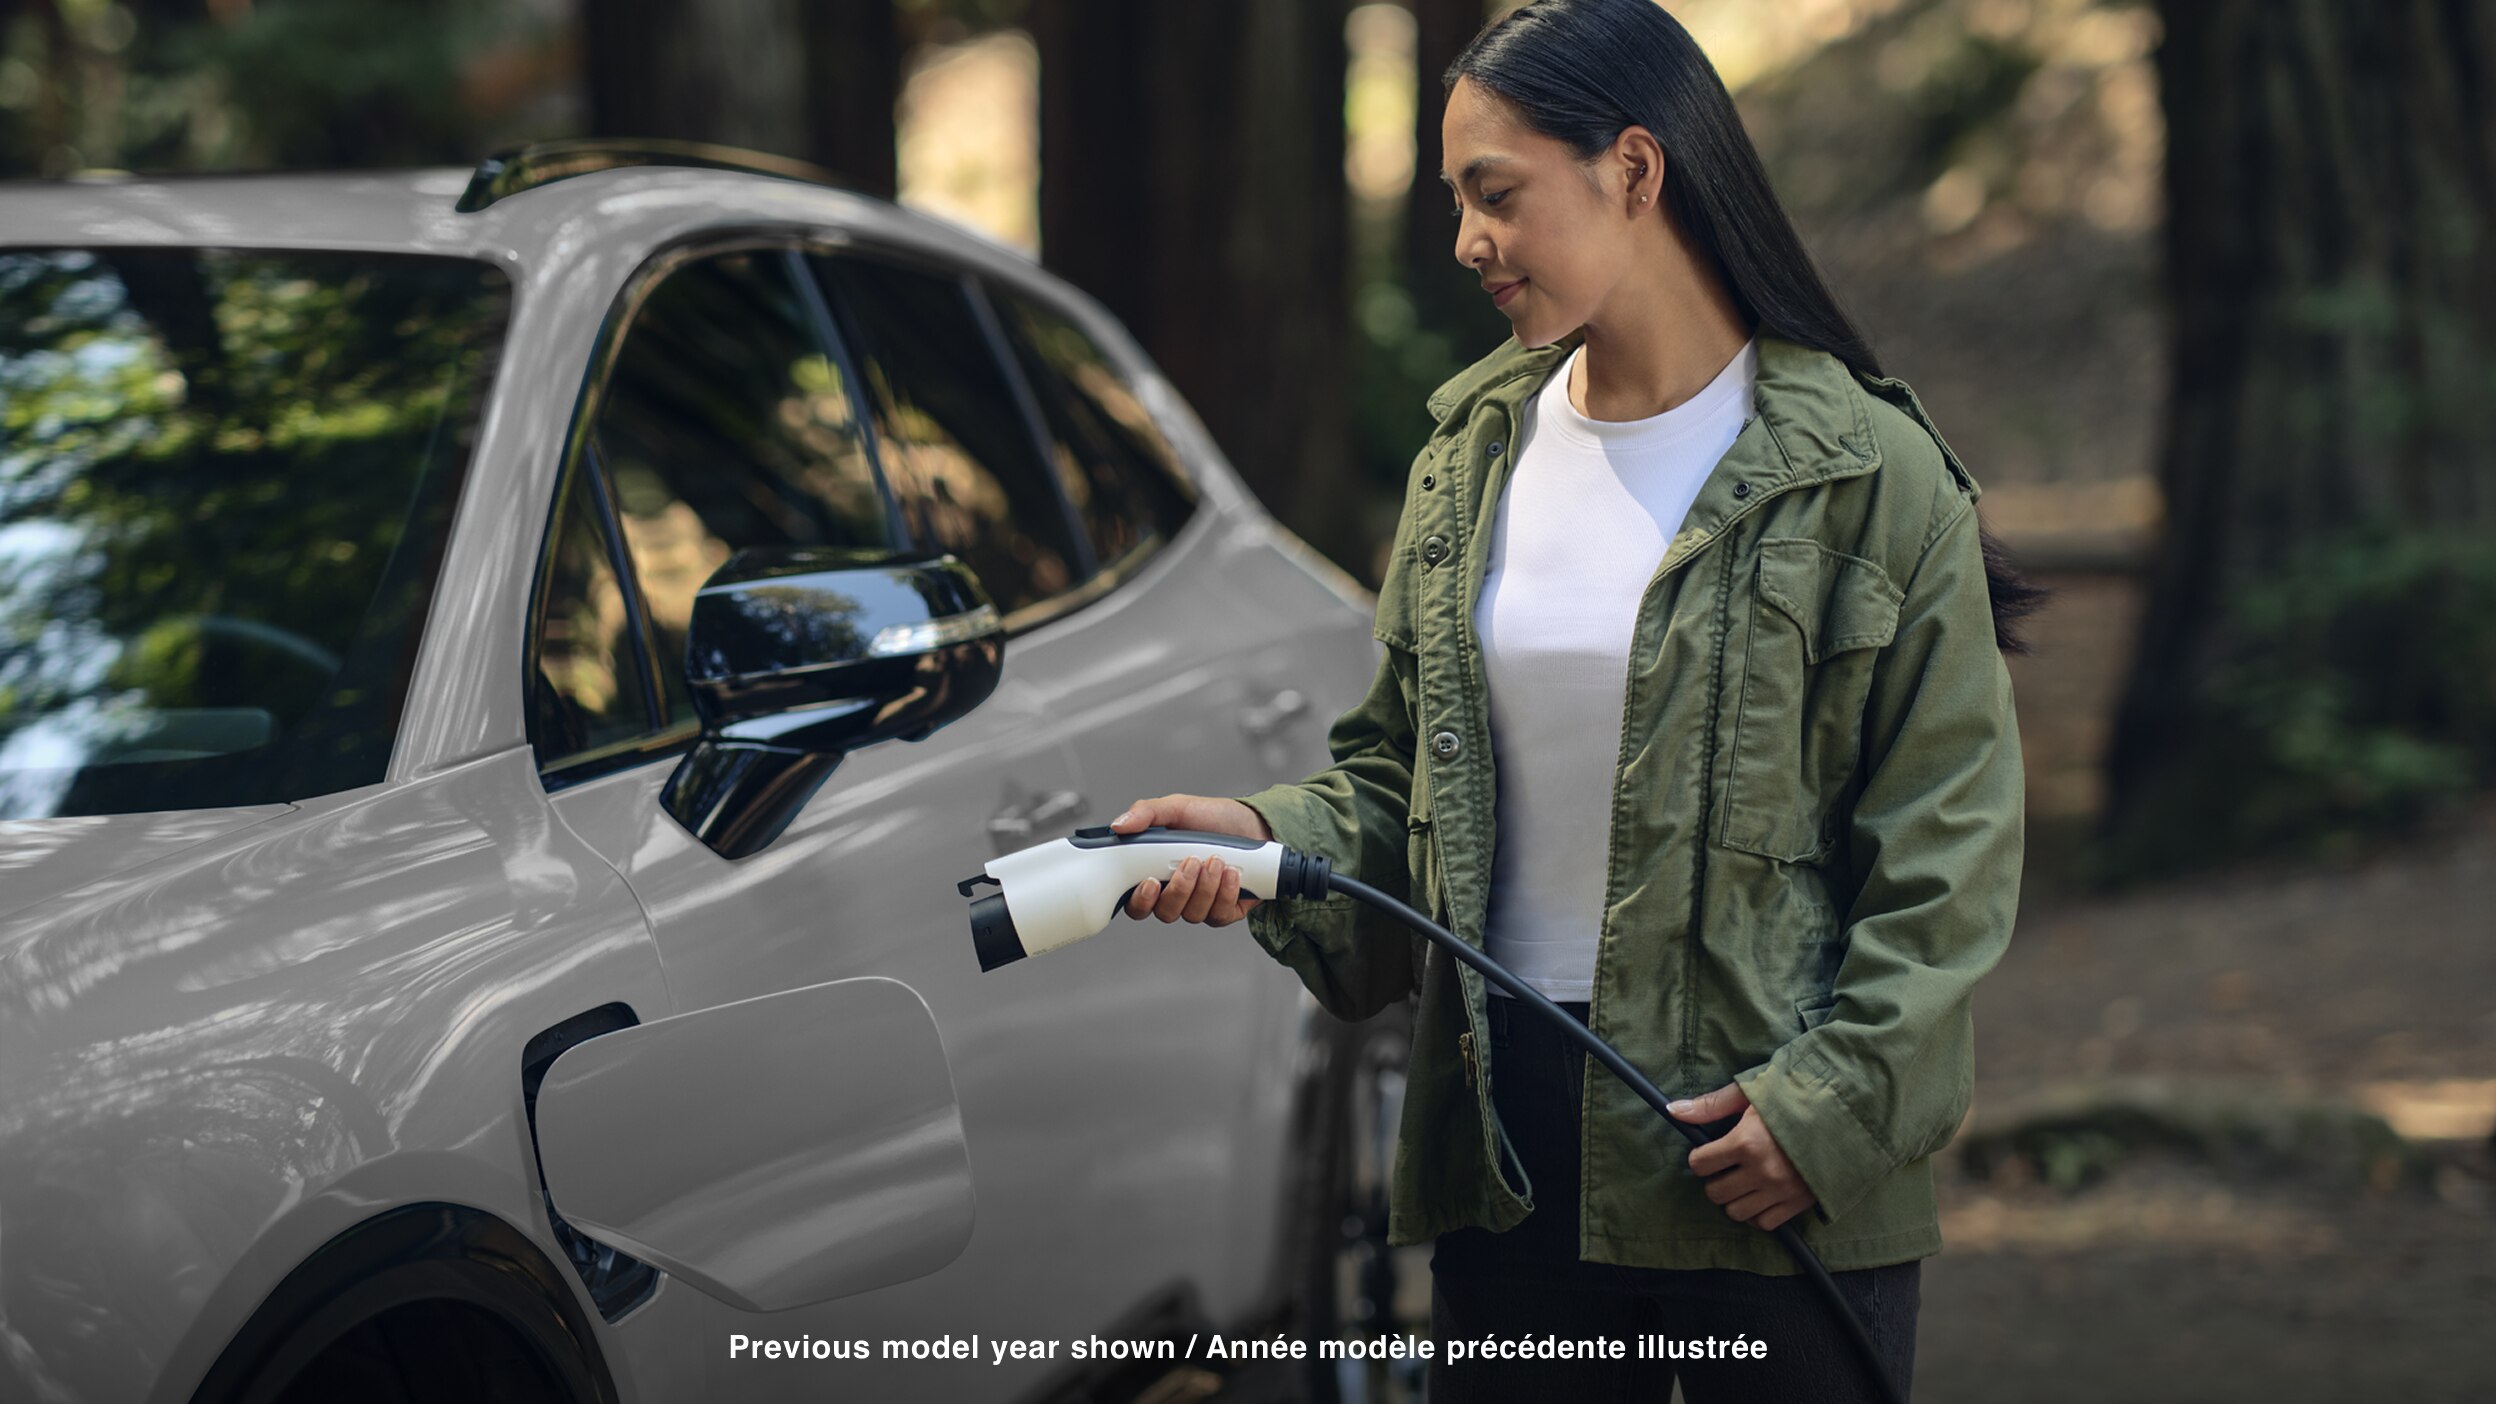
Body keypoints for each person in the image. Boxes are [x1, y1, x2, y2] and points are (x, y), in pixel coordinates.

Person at [1109, 1, 2043, 1399]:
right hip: (1510, 1155)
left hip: (1770, 1164)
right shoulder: (1468, 466)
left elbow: (1949, 859)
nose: (1468, 240)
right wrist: (1257, 841)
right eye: (1458, 202)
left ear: (1634, 170)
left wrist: (1829, 1109)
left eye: (1498, 195)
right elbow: (1393, 785)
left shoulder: (1873, 476)